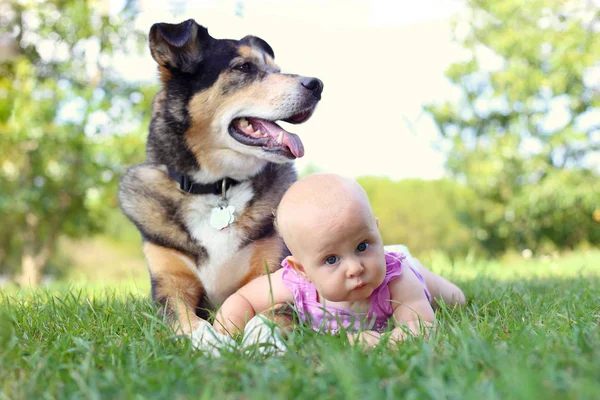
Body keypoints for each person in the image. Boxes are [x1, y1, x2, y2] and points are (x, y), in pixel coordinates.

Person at [213, 173, 465, 347]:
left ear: (376, 231)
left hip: (408, 267)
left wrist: (385, 340)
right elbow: (244, 298)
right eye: (332, 259)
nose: (355, 267)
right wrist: (226, 332)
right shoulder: (295, 284)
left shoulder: (397, 280)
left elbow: (422, 328)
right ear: (301, 269)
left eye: (362, 246)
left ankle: (434, 278)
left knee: (454, 299)